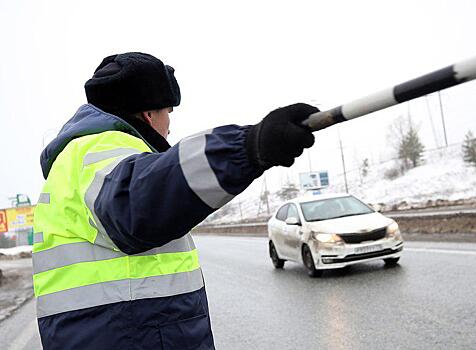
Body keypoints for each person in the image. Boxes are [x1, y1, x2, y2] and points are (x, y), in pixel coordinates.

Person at [32, 52, 318, 350]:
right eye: (168, 111)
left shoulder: (75, 161)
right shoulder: (100, 148)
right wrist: (247, 147)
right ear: (149, 114)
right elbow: (139, 199)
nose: (169, 126)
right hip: (130, 334)